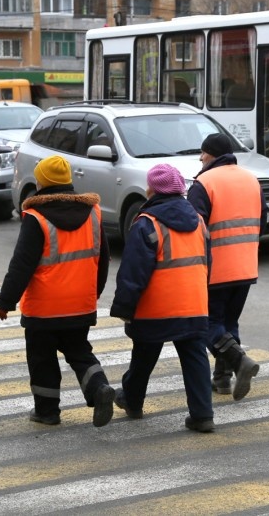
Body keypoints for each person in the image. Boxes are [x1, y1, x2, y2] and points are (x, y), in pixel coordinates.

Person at [0, 154, 116, 428]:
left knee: (42, 359)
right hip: (81, 304)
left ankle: (47, 412)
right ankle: (99, 389)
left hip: (44, 309)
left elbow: (21, 265)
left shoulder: (35, 218)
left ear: (42, 182)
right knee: (80, 351)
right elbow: (102, 259)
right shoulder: (94, 213)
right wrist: (93, 294)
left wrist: (6, 301)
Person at [110, 163, 215, 433]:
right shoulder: (199, 221)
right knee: (195, 356)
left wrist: (124, 306)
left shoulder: (147, 223)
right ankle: (203, 415)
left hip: (155, 307)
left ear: (152, 190)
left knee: (144, 354)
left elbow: (133, 272)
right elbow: (207, 263)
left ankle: (132, 402)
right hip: (193, 304)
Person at [187, 133, 267, 401]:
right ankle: (222, 380)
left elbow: (193, 228)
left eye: (203, 152)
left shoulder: (204, 182)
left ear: (212, 154)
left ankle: (238, 361)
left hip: (214, 267)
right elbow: (262, 221)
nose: (200, 157)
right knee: (229, 322)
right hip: (246, 265)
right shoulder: (251, 179)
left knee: (207, 324)